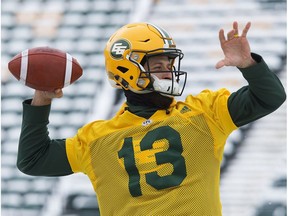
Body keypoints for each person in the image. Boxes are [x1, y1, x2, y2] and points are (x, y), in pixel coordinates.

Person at [17, 21, 286, 216]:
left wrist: (248, 64)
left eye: (169, 65)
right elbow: (33, 161)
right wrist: (43, 95)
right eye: (158, 65)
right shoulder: (204, 114)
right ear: (127, 69)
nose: (168, 72)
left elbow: (271, 98)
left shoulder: (206, 113)